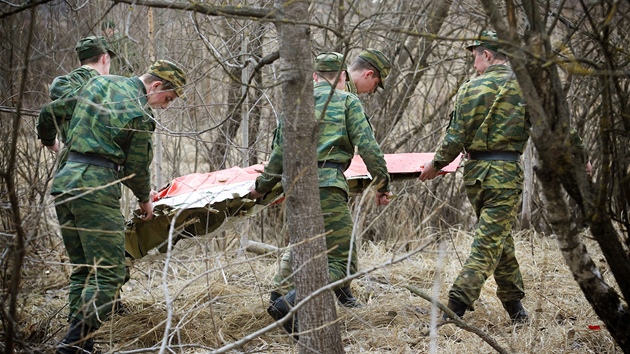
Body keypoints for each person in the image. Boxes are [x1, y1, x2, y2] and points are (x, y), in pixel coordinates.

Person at [249, 52, 392, 336]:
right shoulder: (347, 100)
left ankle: (283, 299)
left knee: (304, 247)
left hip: (295, 186)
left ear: (314, 76)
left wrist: (263, 186)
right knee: (343, 261)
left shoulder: (295, 104)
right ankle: (290, 304)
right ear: (342, 76)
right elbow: (369, 147)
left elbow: (279, 151)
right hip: (327, 184)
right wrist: (383, 184)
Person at [51, 60, 187, 354]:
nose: (165, 105)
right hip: (94, 190)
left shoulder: (99, 83)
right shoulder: (139, 113)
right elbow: (136, 166)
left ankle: (82, 345)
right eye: (168, 98)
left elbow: (58, 106)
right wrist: (144, 199)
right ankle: (71, 345)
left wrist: (49, 138)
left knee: (84, 270)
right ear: (155, 86)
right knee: (109, 272)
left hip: (64, 181)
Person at [419, 30, 530, 324]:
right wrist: (578, 158)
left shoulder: (469, 89)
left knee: (497, 238)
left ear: (488, 55)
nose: (473, 64)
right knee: (490, 241)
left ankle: (515, 307)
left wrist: (435, 164)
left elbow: (455, 136)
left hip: (476, 176)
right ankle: (456, 304)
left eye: (474, 57)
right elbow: (557, 129)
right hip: (505, 175)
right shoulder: (526, 88)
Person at [37, 36, 116, 156]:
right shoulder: (112, 87)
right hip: (105, 164)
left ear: (81, 61)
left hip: (71, 164)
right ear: (105, 59)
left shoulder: (67, 83)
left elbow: (52, 108)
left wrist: (49, 140)